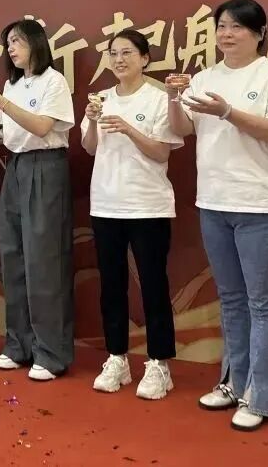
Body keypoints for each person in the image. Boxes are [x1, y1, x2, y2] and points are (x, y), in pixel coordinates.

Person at [166, 0, 268, 430]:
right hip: (213, 202)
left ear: (259, 34)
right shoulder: (204, 77)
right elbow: (183, 129)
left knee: (262, 302)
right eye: (221, 26)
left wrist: (227, 110)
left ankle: (260, 396)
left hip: (259, 202)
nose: (226, 34)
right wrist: (173, 99)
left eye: (237, 26)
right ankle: (233, 382)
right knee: (231, 299)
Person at [81, 29, 183, 400]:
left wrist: (128, 128)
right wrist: (93, 121)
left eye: (127, 53)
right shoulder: (101, 98)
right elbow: (89, 147)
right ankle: (116, 358)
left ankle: (159, 364)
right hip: (106, 204)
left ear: (144, 59)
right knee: (112, 285)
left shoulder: (157, 99)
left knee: (153, 285)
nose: (119, 59)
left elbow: (162, 152)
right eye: (113, 53)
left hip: (147, 205)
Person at [0, 18, 74, 381]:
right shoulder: (13, 83)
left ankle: (51, 352)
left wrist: (1, 102)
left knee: (43, 260)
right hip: (17, 166)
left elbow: (43, 127)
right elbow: (16, 133)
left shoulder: (53, 81)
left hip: (46, 167)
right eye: (8, 44)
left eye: (17, 41)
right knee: (14, 255)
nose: (11, 49)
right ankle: (19, 345)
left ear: (36, 43)